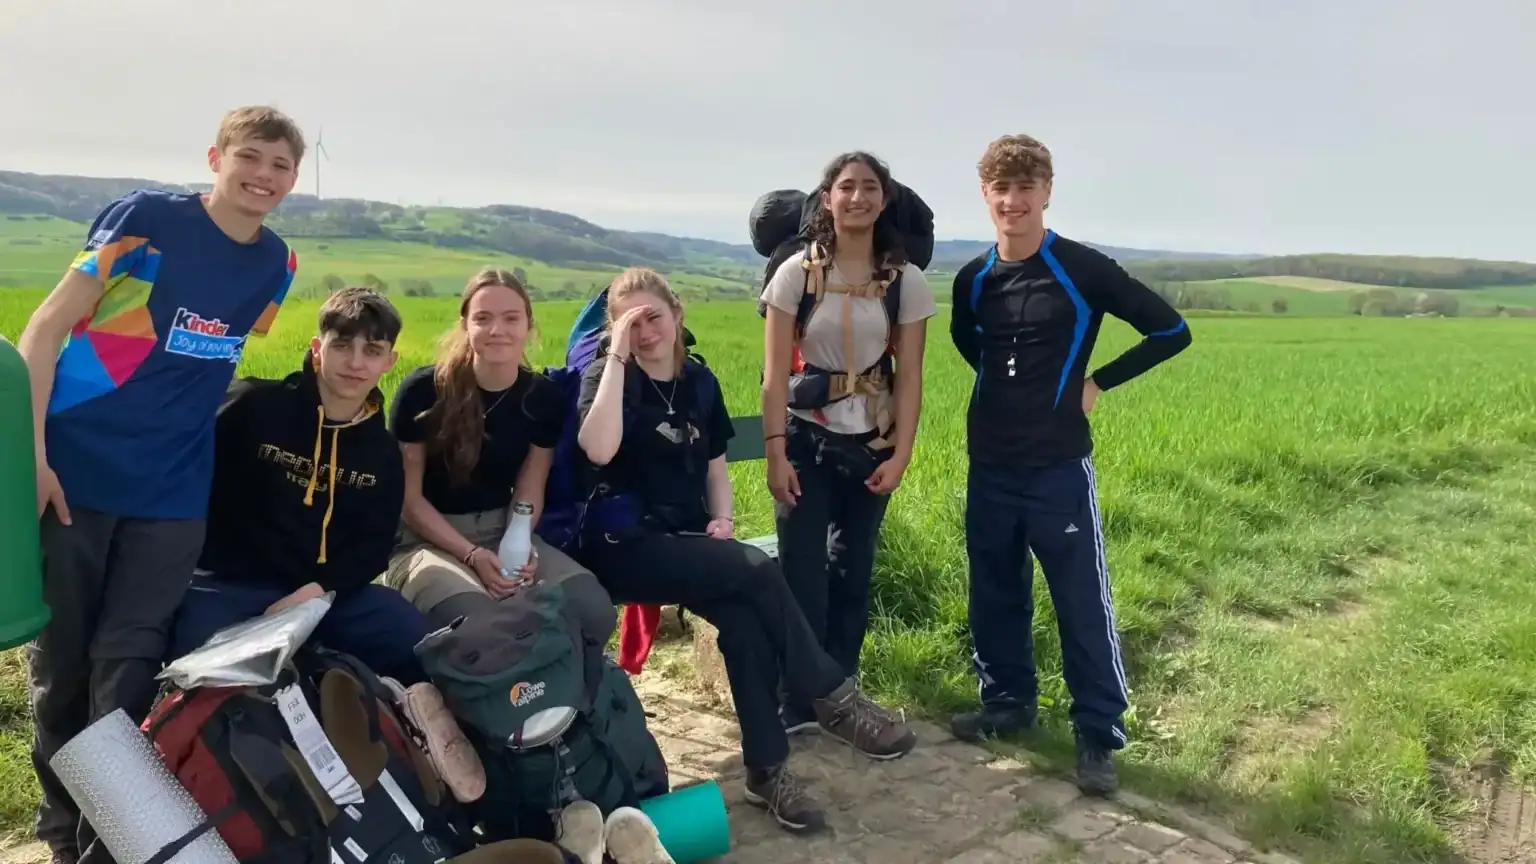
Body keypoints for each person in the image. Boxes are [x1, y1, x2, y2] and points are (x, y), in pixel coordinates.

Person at [15, 105, 304, 864]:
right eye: (250, 156)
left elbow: (212, 367)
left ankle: (108, 845)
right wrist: (32, 456)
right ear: (215, 158)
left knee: (130, 671)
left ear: (293, 180)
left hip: (174, 493)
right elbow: (45, 330)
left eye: (281, 165)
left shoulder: (276, 266)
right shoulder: (144, 221)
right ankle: (60, 833)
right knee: (63, 668)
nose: (264, 176)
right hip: (74, 473)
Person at [574, 266, 917, 836]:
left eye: (652, 317)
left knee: (745, 622)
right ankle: (830, 693)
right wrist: (615, 357)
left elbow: (715, 470)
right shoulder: (608, 378)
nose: (645, 332)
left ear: (677, 314)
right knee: (756, 568)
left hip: (687, 543)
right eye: (628, 324)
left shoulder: (698, 383)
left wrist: (724, 520)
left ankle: (766, 771)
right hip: (620, 549)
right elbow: (598, 449)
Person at [948, 134, 1193, 795]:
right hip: (989, 463)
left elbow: (1170, 330)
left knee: (1080, 600)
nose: (1013, 200)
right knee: (994, 590)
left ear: (1048, 192)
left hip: (1057, 468)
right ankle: (1007, 705)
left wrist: (1096, 383)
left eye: (1026, 187)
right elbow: (970, 345)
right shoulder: (972, 280)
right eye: (1002, 188)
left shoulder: (1083, 269)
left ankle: (1097, 735)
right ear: (985, 195)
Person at [164, 286, 435, 687]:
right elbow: (181, 466)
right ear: (317, 348)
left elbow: (374, 545)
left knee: (418, 644)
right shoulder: (252, 406)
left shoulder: (381, 452)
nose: (356, 362)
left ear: (389, 361)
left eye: (372, 351)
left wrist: (317, 591)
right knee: (193, 669)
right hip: (231, 585)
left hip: (328, 596)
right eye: (342, 345)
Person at [759, 151, 936, 733]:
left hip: (872, 442)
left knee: (852, 570)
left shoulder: (905, 282)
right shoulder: (796, 274)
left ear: (884, 201)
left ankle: (840, 688)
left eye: (869, 188)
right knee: (801, 572)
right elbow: (773, 376)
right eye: (846, 186)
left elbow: (910, 376)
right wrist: (776, 452)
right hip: (806, 439)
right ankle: (797, 698)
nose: (857, 197)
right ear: (828, 198)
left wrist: (902, 453)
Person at [384, 268, 616, 645]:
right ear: (465, 325)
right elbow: (409, 502)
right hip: (424, 539)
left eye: (511, 318)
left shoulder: (541, 398)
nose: (497, 330)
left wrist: (519, 544)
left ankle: (572, 682)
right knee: (485, 627)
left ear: (528, 326)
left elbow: (529, 486)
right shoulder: (422, 392)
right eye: (483, 318)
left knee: (592, 609)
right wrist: (471, 555)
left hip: (501, 529)